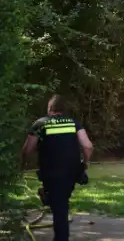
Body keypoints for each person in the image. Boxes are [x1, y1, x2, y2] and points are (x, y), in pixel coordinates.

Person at [21, 94, 93, 241]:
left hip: (51, 171)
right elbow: (88, 146)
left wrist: (22, 163)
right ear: (64, 109)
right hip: (72, 172)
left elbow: (27, 150)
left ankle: (60, 236)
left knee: (59, 205)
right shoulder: (74, 123)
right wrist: (84, 163)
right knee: (61, 202)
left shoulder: (41, 124)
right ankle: (48, 197)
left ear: (49, 108)